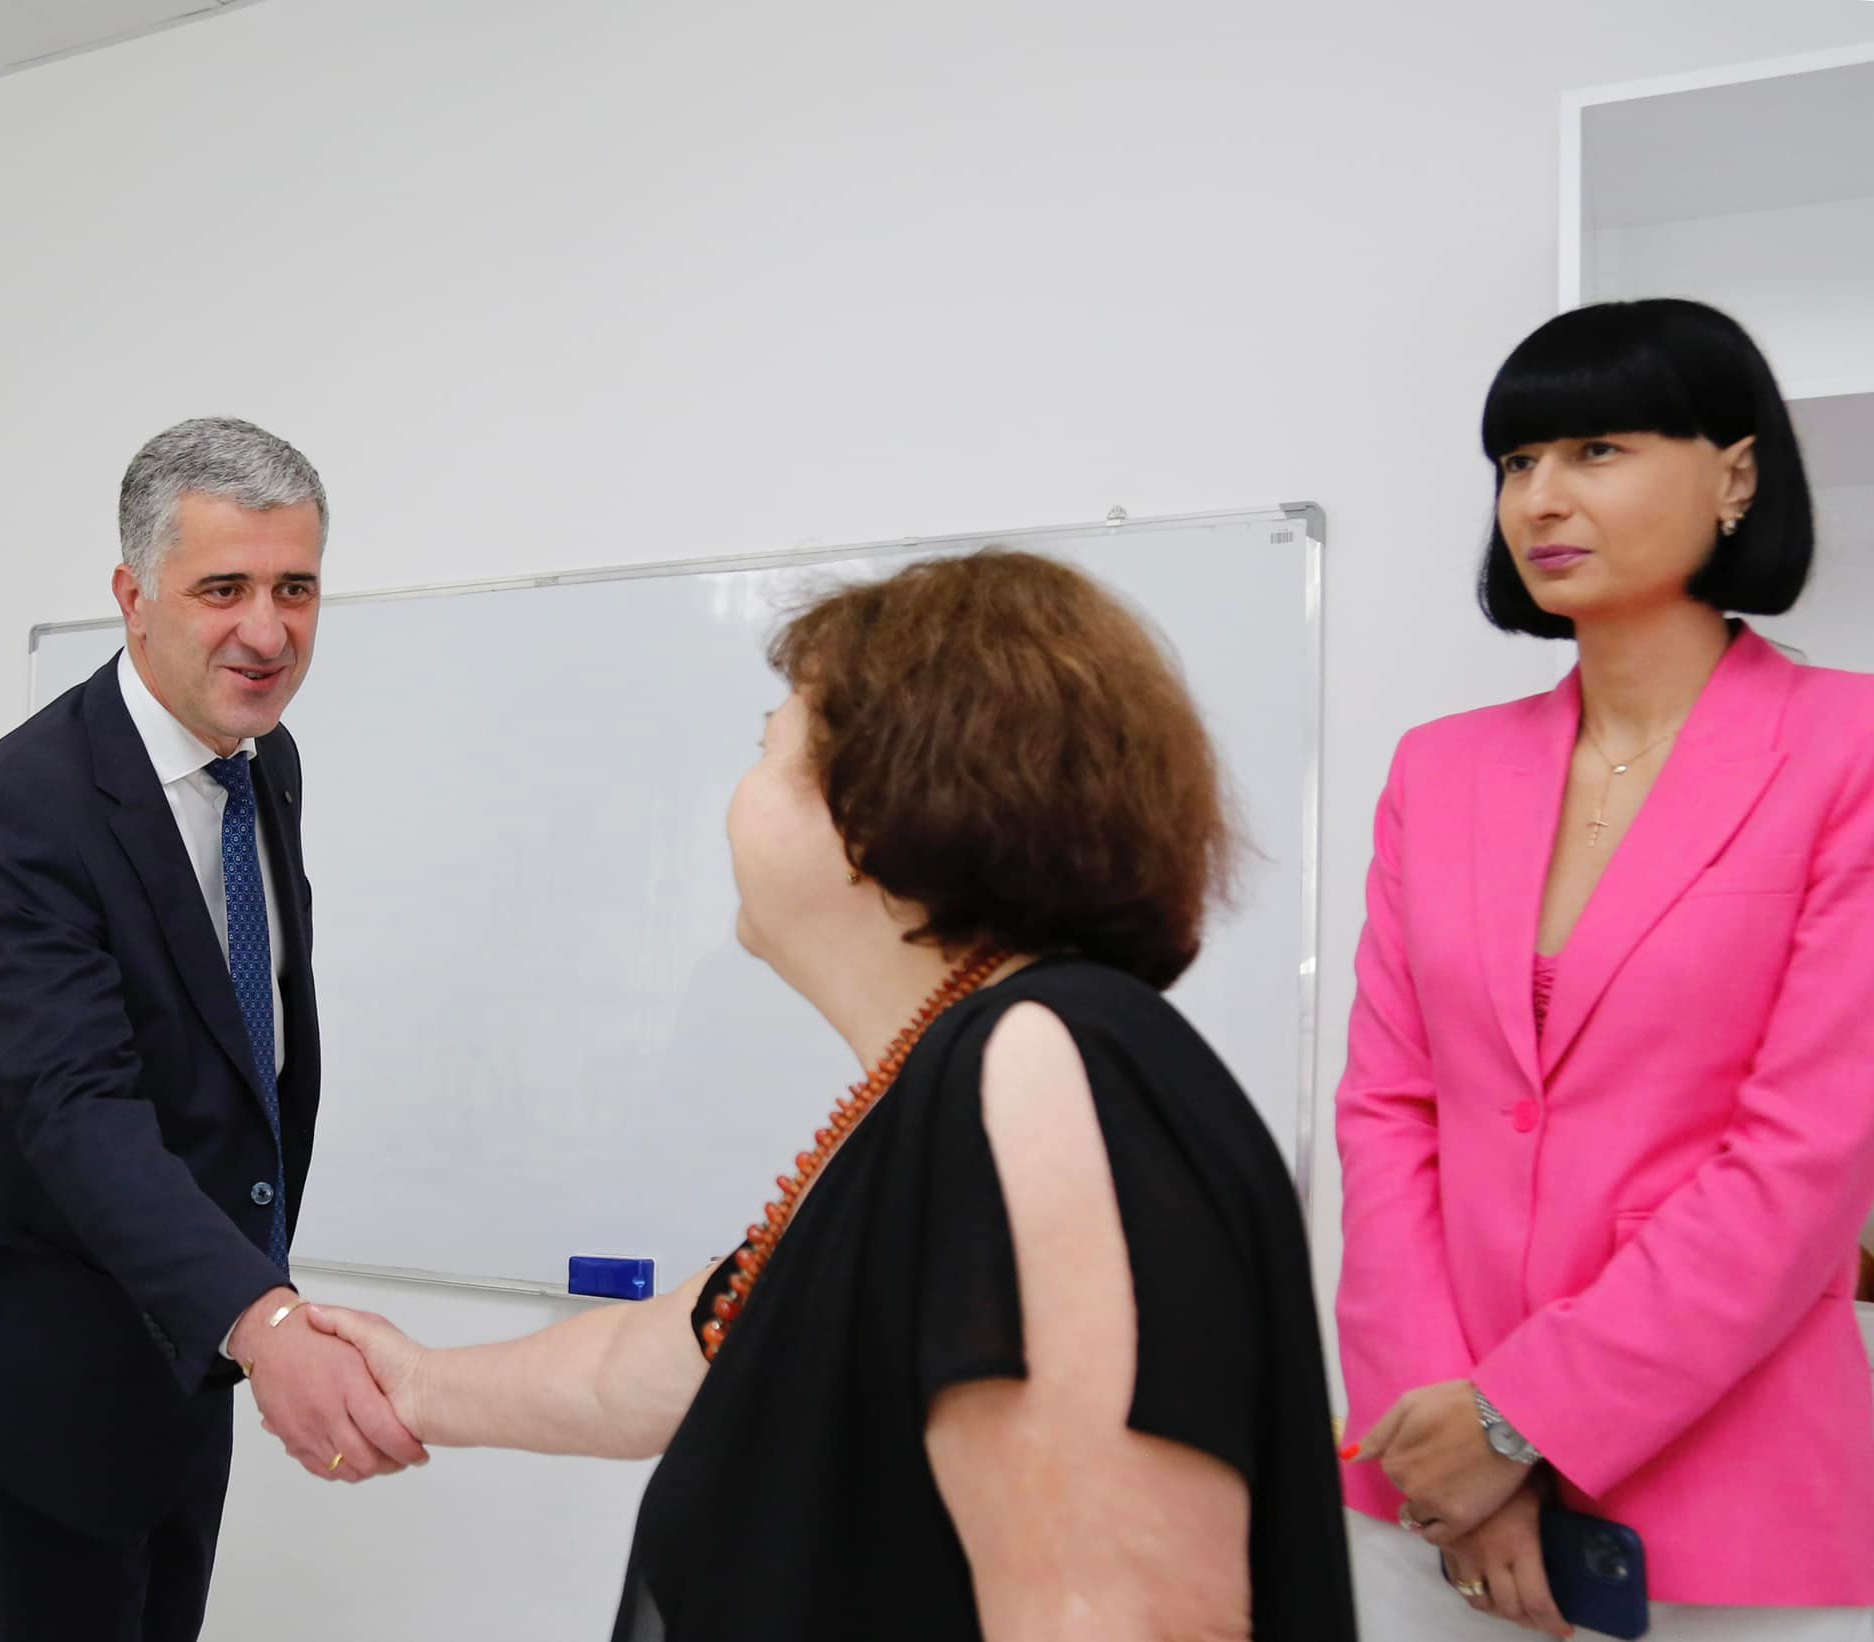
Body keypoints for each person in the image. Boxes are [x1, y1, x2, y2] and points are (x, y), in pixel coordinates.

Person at [306, 550, 1356, 1640]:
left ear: (877, 810)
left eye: (768, 750)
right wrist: (415, 1385)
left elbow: (1120, 1614)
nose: (737, 797)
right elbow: (654, 1362)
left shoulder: (1041, 1062)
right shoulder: (949, 1077)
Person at [1336, 299, 1874, 1639]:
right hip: (1431, 1506)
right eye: (1516, 461)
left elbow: (1803, 1158)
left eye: (1597, 448)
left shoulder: (1849, 749)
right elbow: (1388, 1113)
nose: (1540, 498)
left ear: (1735, 476)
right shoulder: (1438, 770)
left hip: (1726, 1506)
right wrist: (1445, 1445)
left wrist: (1519, 1418)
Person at [0, 417, 426, 1642]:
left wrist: (241, 1306)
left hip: (197, 1330)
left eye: (296, 588)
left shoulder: (262, 761)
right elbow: (77, 1108)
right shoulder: (21, 807)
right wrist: (264, 1317)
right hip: (54, 1359)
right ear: (133, 598)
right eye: (223, 588)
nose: (268, 632)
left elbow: (238, 1035)